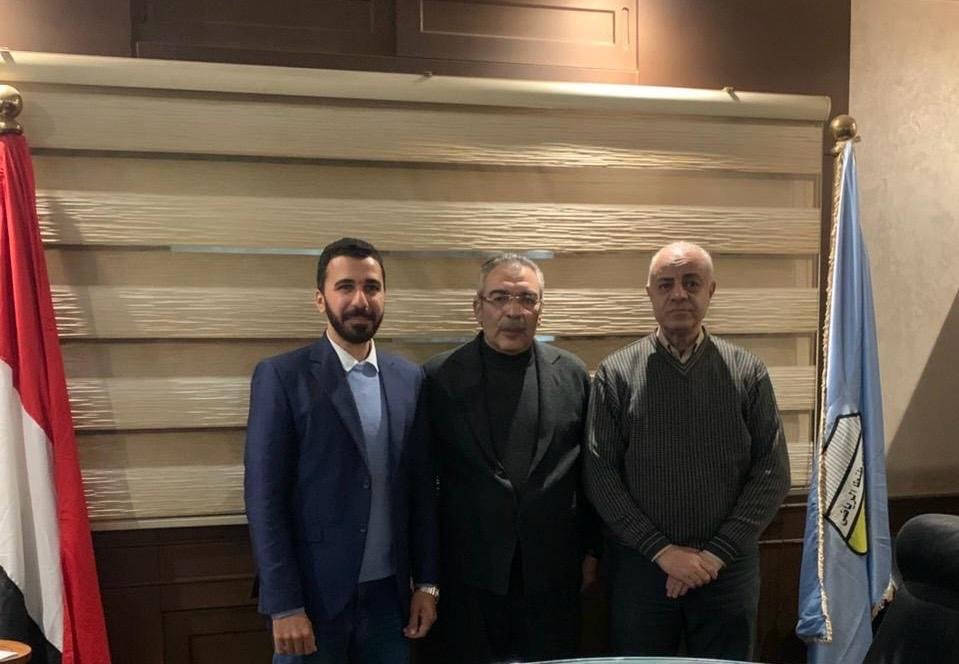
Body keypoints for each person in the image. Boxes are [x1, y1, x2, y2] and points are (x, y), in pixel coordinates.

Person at [584, 240, 790, 660]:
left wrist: (713, 556)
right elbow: (601, 475)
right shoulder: (615, 373)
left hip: (727, 571)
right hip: (642, 570)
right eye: (666, 284)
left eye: (692, 282)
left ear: (711, 290)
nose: (679, 294)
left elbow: (772, 474)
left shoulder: (748, 372)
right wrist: (662, 552)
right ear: (650, 294)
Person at [244, 237, 439, 663]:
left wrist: (427, 583)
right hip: (312, 602)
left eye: (372, 287)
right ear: (320, 299)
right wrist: (284, 605)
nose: (360, 300)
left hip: (389, 601)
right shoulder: (282, 377)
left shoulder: (410, 379)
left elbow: (422, 490)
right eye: (345, 287)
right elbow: (264, 500)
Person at [424, 253, 599, 663]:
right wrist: (425, 575)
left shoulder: (573, 375)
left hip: (553, 573)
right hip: (468, 574)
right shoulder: (438, 378)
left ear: (540, 309)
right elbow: (422, 480)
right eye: (500, 298)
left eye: (527, 299)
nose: (514, 311)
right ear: (478, 307)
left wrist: (593, 550)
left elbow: (590, 473)